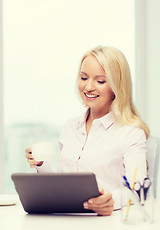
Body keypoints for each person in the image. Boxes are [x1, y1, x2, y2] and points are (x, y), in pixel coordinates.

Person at [25, 46, 150, 216]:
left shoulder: (130, 132)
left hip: (106, 224)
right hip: (67, 220)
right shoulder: (70, 127)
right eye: (84, 77)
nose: (88, 86)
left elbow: (139, 189)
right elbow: (62, 182)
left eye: (100, 81)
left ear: (117, 87)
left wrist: (111, 201)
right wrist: (41, 163)